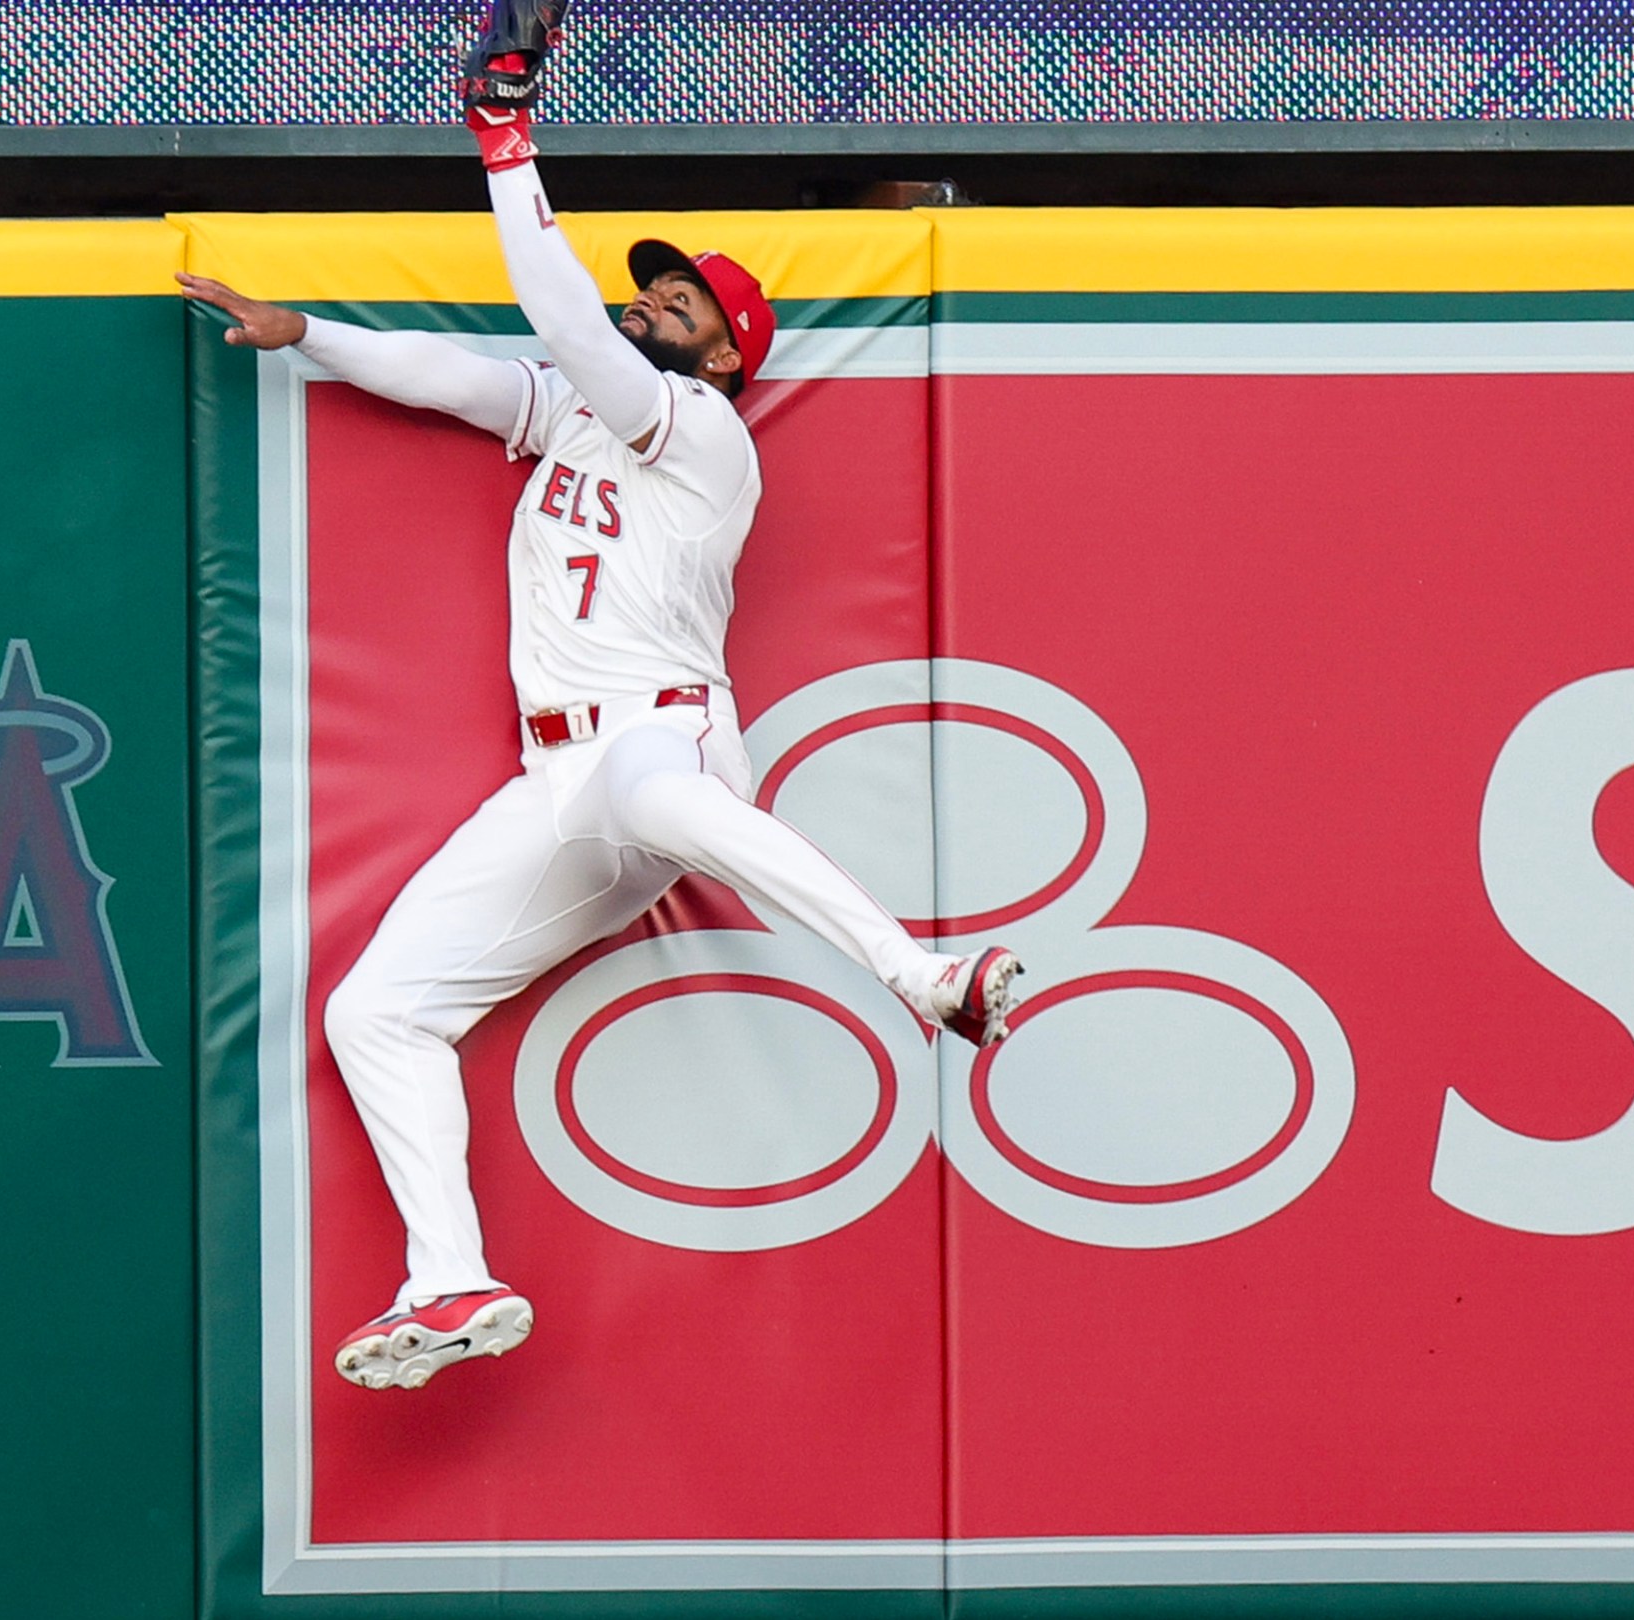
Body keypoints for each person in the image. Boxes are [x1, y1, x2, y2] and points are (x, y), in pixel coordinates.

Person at [175, 3, 1026, 1392]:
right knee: (374, 1012)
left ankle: (926, 977)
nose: (651, 305)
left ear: (726, 356)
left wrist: (507, 142)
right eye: (653, 294)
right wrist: (307, 331)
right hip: (557, 787)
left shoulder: (700, 433)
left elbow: (562, 314)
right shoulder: (582, 411)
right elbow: (456, 378)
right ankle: (449, 1281)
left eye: (680, 305)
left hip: (662, 734)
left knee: (663, 794)